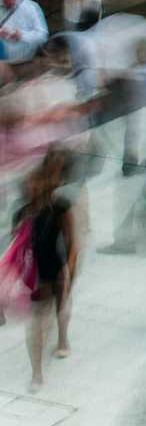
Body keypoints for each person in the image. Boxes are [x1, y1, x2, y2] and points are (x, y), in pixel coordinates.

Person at [16, 149, 77, 392]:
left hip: (56, 267)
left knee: (61, 309)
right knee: (36, 322)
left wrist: (69, 270)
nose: (31, 187)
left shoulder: (60, 206)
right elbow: (15, 252)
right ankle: (36, 372)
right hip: (35, 274)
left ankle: (63, 338)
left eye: (35, 183)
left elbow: (72, 243)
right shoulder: (21, 214)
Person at [0, 0, 48, 69]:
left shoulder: (30, 7)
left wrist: (22, 35)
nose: (7, 1)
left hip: (20, 51)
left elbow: (43, 36)